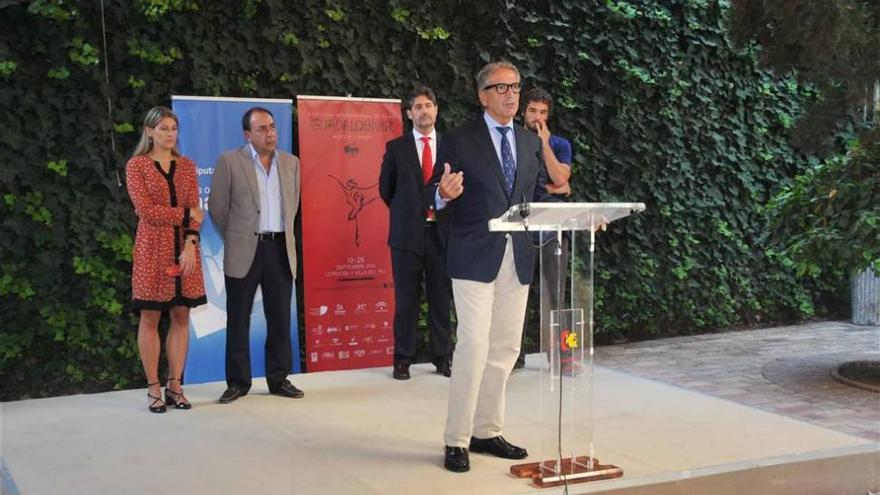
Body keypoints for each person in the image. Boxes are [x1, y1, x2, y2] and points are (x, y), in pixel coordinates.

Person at [428, 61, 550, 472]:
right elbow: (436, 191)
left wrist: (580, 219)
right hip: (472, 255)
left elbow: (535, 201)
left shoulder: (529, 143)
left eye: (515, 87)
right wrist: (442, 195)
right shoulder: (459, 140)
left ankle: (486, 430)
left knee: (504, 350)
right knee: (475, 347)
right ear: (482, 95)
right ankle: (456, 439)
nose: (511, 95)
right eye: (501, 88)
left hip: (517, 258)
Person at [208, 107, 304, 403]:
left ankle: (279, 379)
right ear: (247, 135)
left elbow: (294, 206)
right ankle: (238, 382)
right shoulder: (229, 161)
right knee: (238, 318)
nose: (270, 133)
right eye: (262, 129)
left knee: (279, 318)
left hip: (279, 249)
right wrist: (238, 236)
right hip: (244, 248)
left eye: (272, 127)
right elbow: (218, 208)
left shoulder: (291, 163)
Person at [126, 106, 207, 413]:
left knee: (182, 316)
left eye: (173, 128)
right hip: (152, 249)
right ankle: (153, 388)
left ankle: (175, 385)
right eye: (163, 128)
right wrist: (186, 214)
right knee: (149, 318)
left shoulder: (187, 166)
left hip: (184, 250)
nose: (170, 134)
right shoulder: (136, 166)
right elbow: (146, 211)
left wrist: (190, 241)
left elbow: (196, 210)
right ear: (149, 132)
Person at [379, 86, 453, 380]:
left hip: (442, 235)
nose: (424, 111)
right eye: (418, 107)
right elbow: (386, 189)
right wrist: (409, 211)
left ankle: (443, 357)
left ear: (436, 109)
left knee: (440, 299)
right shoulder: (396, 148)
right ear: (409, 114)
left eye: (429, 105)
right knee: (406, 300)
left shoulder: (451, 146)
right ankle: (403, 359)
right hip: (406, 236)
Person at [514, 87, 574, 370]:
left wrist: (545, 145)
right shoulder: (512, 141)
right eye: (533, 111)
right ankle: (514, 356)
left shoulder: (560, 144)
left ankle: (562, 357)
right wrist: (557, 187)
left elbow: (561, 177)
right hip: (522, 226)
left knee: (556, 293)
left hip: (552, 227)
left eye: (543, 113)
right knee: (516, 292)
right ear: (522, 112)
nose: (538, 118)